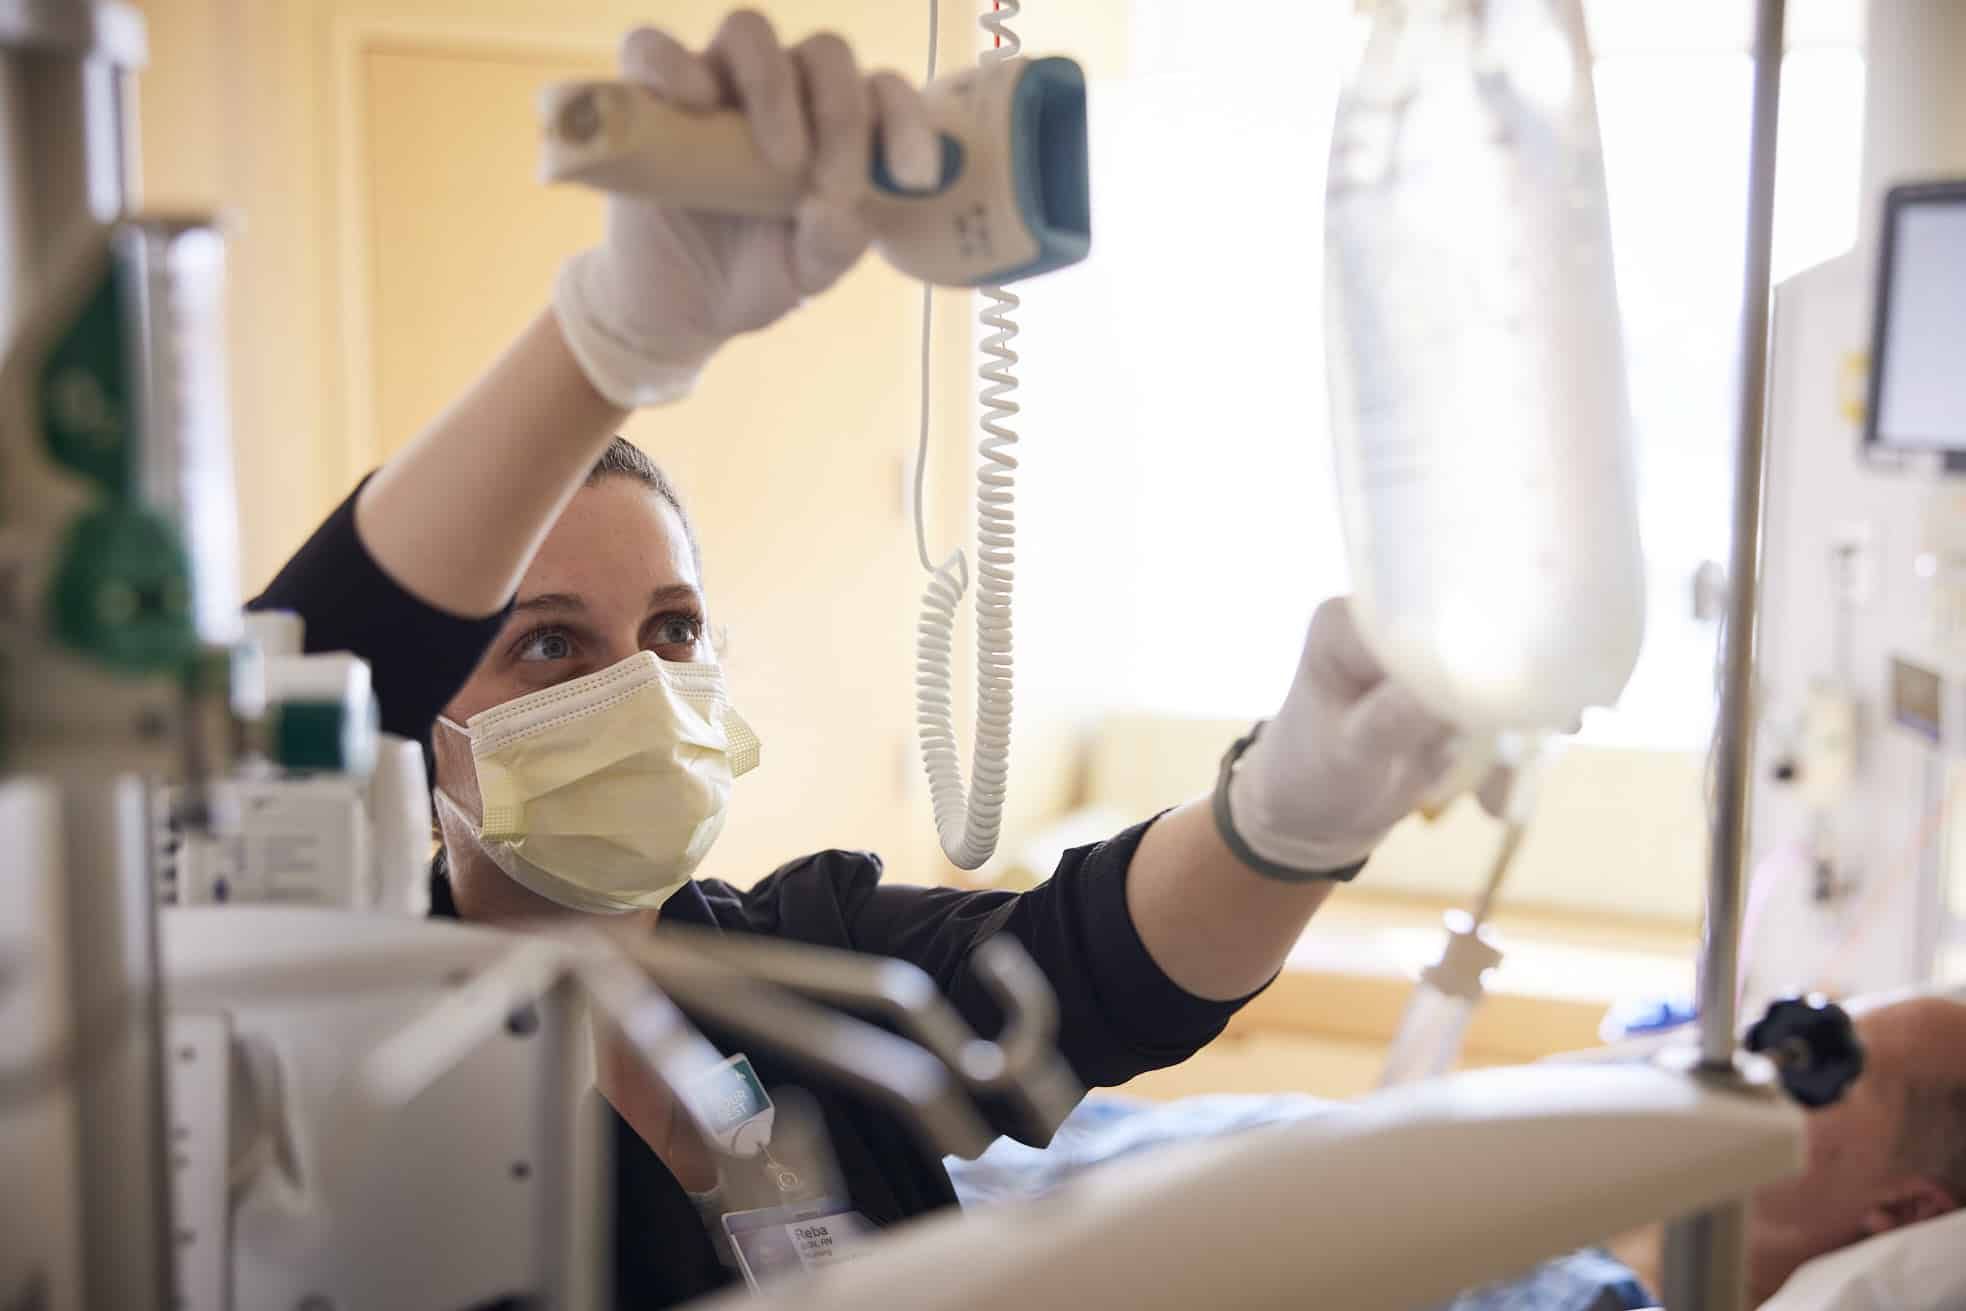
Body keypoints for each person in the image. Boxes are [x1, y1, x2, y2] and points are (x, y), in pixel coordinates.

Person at [252, 12, 1464, 1306]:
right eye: (550, 642)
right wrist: (609, 337)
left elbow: (1088, 970)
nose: (641, 687)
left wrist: (1289, 811)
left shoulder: (800, 955)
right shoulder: (333, 1029)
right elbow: (280, 703)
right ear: (409, 719)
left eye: (672, 629)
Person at [947, 996, 1966, 1310]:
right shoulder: (1567, 1175)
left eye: (1829, 1070)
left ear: (1905, 1211)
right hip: (980, 1161)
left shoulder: (1580, 1299)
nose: (1757, 1065)